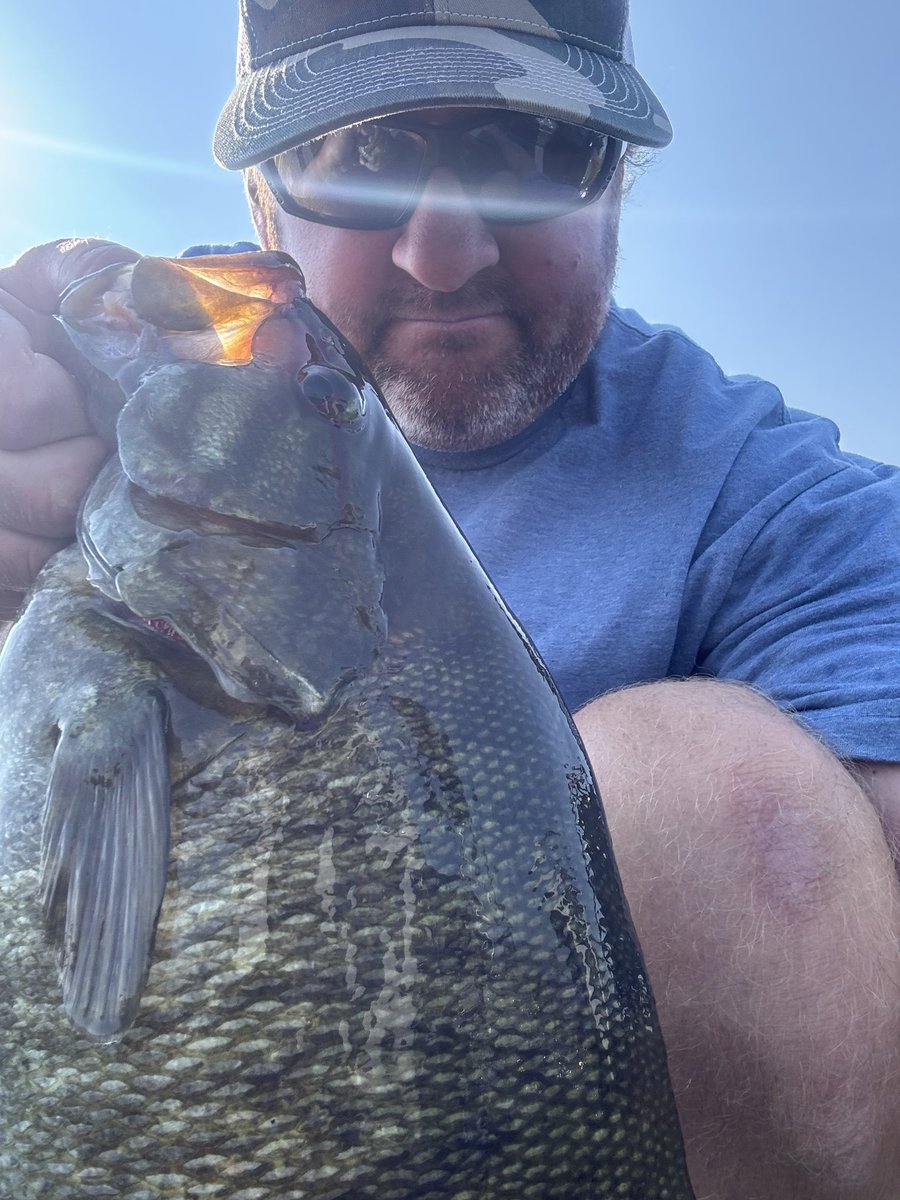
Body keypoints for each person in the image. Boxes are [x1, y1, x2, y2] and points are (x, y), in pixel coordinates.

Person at [1, 2, 899, 1196]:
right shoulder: (112, 408)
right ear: (266, 207)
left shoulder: (780, 503)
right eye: (362, 164)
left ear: (615, 185)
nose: (444, 253)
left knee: (718, 792)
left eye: (529, 155)